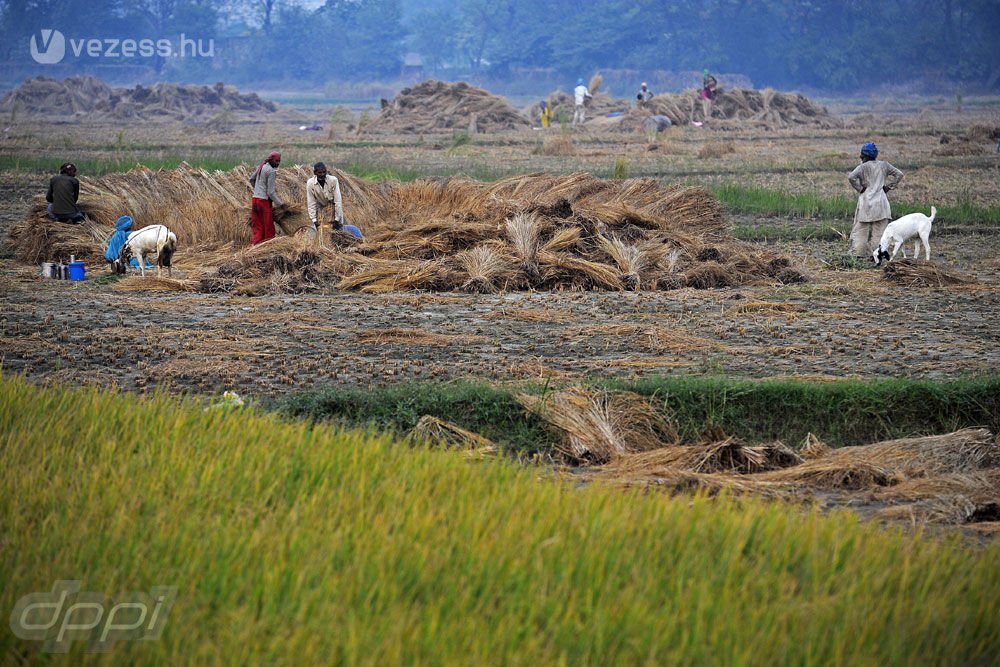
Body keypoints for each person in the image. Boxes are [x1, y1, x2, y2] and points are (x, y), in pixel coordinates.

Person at [847, 142, 904, 259]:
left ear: (865, 156)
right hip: (881, 204)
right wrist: (889, 187)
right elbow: (899, 174)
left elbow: (851, 177)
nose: (860, 157)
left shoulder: (862, 167)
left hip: (866, 204)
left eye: (861, 155)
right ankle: (877, 255)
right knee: (880, 233)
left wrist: (860, 188)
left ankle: (858, 255)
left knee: (861, 231)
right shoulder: (884, 165)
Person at [249, 151, 284, 245]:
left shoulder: (261, 166)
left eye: (279, 161)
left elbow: (251, 179)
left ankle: (254, 248)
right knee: (268, 228)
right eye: (276, 161)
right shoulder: (271, 171)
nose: (278, 163)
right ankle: (267, 248)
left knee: (257, 227)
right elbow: (270, 192)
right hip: (263, 202)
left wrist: (258, 190)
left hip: (255, 200)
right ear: (271, 159)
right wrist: (281, 205)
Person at [305, 161, 344, 239]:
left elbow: (338, 201)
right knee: (321, 231)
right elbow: (311, 202)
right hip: (321, 208)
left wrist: (336, 219)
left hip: (333, 206)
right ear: (315, 173)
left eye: (324, 172)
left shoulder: (333, 180)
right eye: (320, 172)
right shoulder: (310, 183)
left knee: (339, 230)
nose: (322, 174)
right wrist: (314, 220)